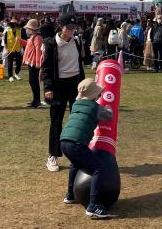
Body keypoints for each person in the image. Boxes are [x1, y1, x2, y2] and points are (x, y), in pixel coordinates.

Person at [60, 78, 115, 219]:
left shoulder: (76, 104)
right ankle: (93, 206)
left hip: (64, 141)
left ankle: (70, 195)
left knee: (75, 165)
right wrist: (108, 106)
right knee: (99, 169)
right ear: (94, 95)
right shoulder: (95, 108)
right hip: (77, 143)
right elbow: (108, 116)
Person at [42, 13, 86, 172]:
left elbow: (81, 63)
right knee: (56, 121)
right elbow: (46, 68)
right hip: (58, 85)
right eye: (69, 28)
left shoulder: (76, 41)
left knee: (78, 120)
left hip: (76, 84)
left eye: (75, 28)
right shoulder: (51, 44)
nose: (72, 31)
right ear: (61, 27)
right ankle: (53, 155)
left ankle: (79, 154)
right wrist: (48, 88)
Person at [20, 19, 44, 108]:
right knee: (32, 82)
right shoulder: (33, 37)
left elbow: (38, 50)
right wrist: (20, 41)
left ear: (31, 29)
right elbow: (29, 44)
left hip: (34, 63)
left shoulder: (37, 37)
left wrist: (38, 63)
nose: (26, 30)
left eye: (27, 28)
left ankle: (36, 101)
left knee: (34, 82)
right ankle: (35, 100)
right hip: (32, 62)